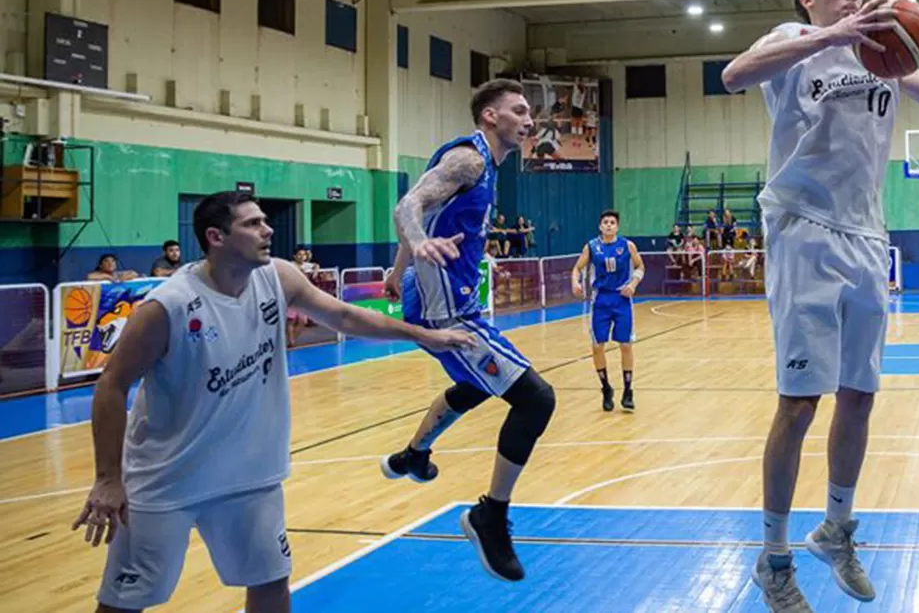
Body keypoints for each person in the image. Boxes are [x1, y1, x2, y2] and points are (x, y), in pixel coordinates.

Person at [720, 0, 919, 611]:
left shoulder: (883, 57)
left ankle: (836, 529)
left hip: (866, 235)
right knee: (800, 402)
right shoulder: (794, 41)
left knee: (859, 395)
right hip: (803, 225)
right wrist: (828, 36)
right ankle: (774, 559)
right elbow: (731, 75)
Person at [72, 192, 474, 613]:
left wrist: (424, 336)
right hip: (168, 479)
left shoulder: (277, 277)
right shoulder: (167, 306)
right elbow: (111, 386)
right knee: (126, 601)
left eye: (265, 221)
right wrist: (107, 478)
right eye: (252, 224)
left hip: (250, 477)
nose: (267, 230)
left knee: (270, 583)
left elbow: (346, 316)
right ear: (216, 237)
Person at [378, 79, 557, 583]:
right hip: (445, 313)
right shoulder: (469, 160)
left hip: (448, 300)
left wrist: (399, 268)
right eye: (519, 111)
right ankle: (489, 517)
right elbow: (409, 207)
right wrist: (414, 244)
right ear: (490, 117)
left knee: (480, 386)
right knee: (536, 400)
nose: (528, 120)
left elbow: (429, 217)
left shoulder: (484, 167)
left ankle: (414, 455)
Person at [571, 210, 644, 412]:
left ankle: (628, 390)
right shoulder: (592, 247)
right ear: (600, 226)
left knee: (626, 345)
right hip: (601, 300)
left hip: (622, 299)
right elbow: (577, 268)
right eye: (605, 222)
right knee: (597, 346)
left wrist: (634, 283)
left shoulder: (627, 246)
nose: (609, 225)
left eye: (612, 222)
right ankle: (605, 388)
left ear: (617, 226)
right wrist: (575, 281)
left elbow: (640, 267)